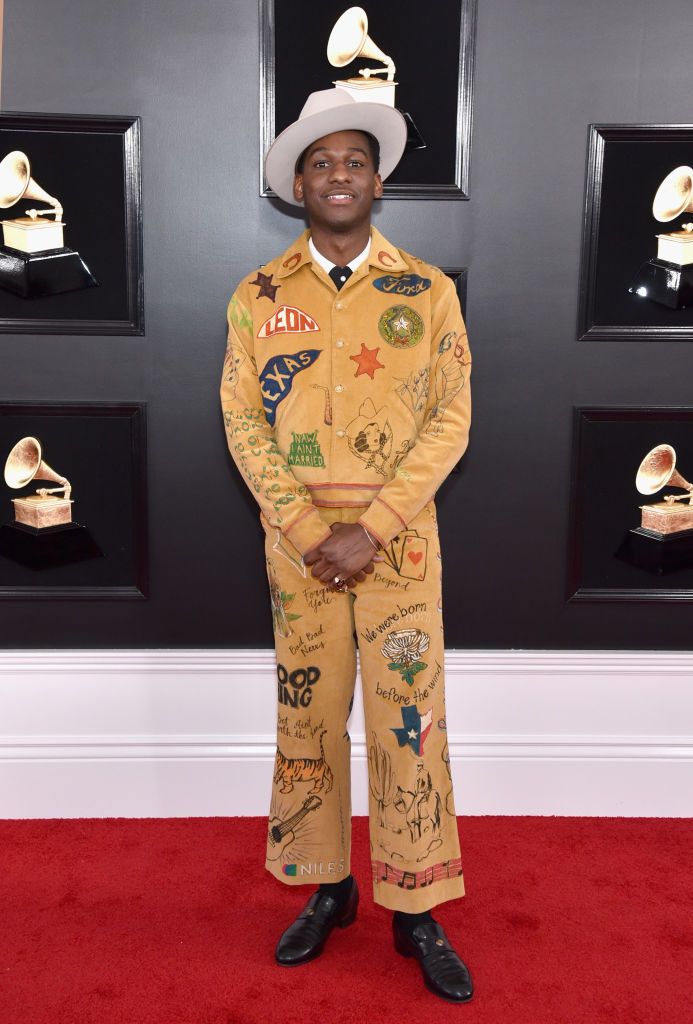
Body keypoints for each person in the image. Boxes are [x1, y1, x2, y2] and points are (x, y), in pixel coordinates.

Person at [220, 88, 472, 1003]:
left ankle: (416, 908)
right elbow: (242, 424)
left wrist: (371, 529)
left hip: (397, 552)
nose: (338, 175)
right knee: (309, 726)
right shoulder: (257, 297)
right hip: (298, 561)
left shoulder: (427, 292)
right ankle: (327, 889)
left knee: (409, 725)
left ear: (376, 180)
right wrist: (304, 529)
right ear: (297, 184)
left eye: (353, 161)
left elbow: (450, 421)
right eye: (320, 162)